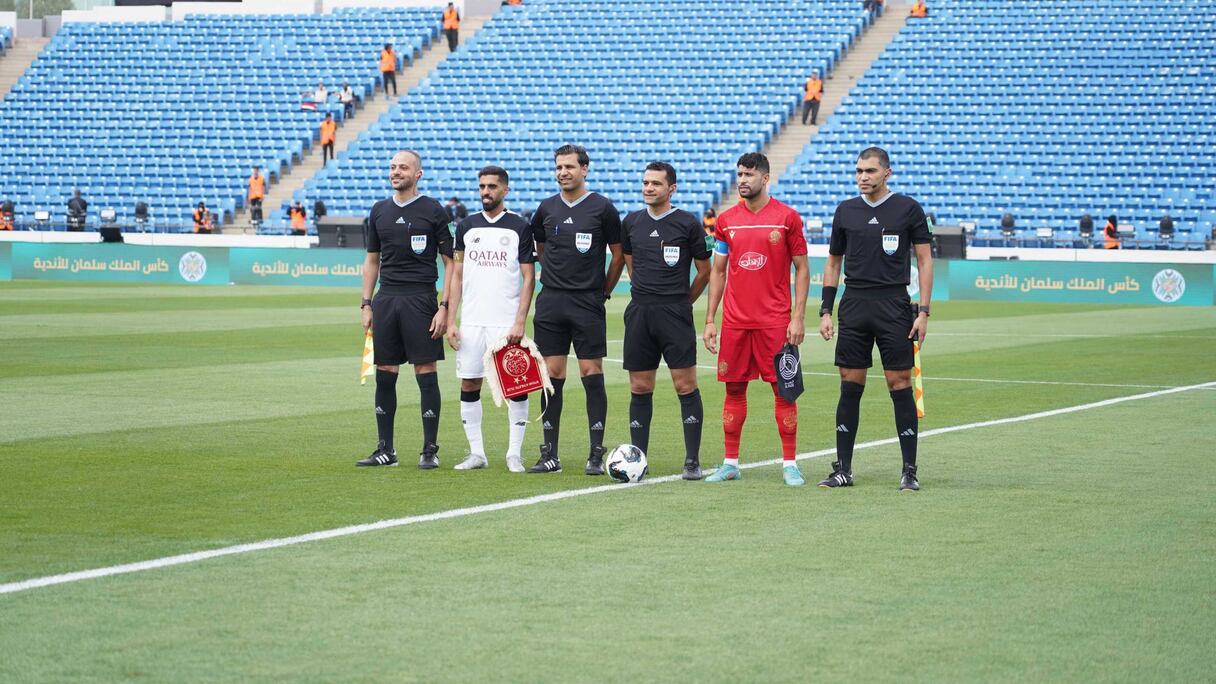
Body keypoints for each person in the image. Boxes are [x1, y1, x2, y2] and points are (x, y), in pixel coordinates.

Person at [817, 147, 933, 492]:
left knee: (899, 383)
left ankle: (909, 470)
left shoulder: (908, 209)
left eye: (869, 171)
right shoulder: (845, 211)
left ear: (887, 173)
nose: (862, 177)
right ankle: (843, 470)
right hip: (854, 304)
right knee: (849, 384)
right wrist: (825, 309)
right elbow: (834, 262)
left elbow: (925, 261)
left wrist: (924, 311)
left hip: (893, 304)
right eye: (858, 171)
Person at [703, 152, 810, 486]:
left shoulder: (787, 218)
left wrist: (797, 317)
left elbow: (802, 268)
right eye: (739, 174)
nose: (742, 180)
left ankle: (790, 463)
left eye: (749, 174)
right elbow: (718, 272)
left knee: (784, 392)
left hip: (776, 322)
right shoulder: (726, 221)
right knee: (733, 390)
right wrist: (710, 320)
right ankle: (730, 463)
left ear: (765, 178)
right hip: (736, 322)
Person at [526, 144, 625, 474]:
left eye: (569, 166)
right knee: (551, 375)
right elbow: (540, 246)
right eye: (558, 167)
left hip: (587, 301)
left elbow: (618, 255)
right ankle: (549, 453)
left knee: (590, 373)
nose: (563, 172)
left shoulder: (603, 208)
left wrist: (604, 291)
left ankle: (596, 452)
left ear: (585, 169)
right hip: (551, 301)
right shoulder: (546, 208)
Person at [357, 150, 455, 469]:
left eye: (403, 167)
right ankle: (385, 448)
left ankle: (429, 449)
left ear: (418, 174)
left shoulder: (433, 210)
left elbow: (450, 262)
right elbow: (372, 261)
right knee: (385, 374)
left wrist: (444, 307)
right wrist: (366, 302)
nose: (396, 171)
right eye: (393, 167)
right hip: (386, 300)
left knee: (425, 373)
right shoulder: (379, 211)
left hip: (421, 299)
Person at [621, 162, 712, 480]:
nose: (648, 188)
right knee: (639, 386)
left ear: (671, 188)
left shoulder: (688, 222)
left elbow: (705, 271)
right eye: (645, 182)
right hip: (640, 312)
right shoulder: (631, 221)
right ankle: (638, 460)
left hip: (675, 312)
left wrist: (682, 302)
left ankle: (692, 461)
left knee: (685, 385)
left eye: (656, 184)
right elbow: (630, 262)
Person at [445, 166, 536, 472]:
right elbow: (457, 275)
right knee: (469, 384)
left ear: (505, 190)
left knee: (516, 386)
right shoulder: (466, 227)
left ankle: (514, 453)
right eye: (482, 186)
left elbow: (528, 277)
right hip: (471, 322)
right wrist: (452, 319)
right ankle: (477, 453)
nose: (486, 191)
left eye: (492, 186)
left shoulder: (519, 228)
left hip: (505, 322)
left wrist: (520, 320)